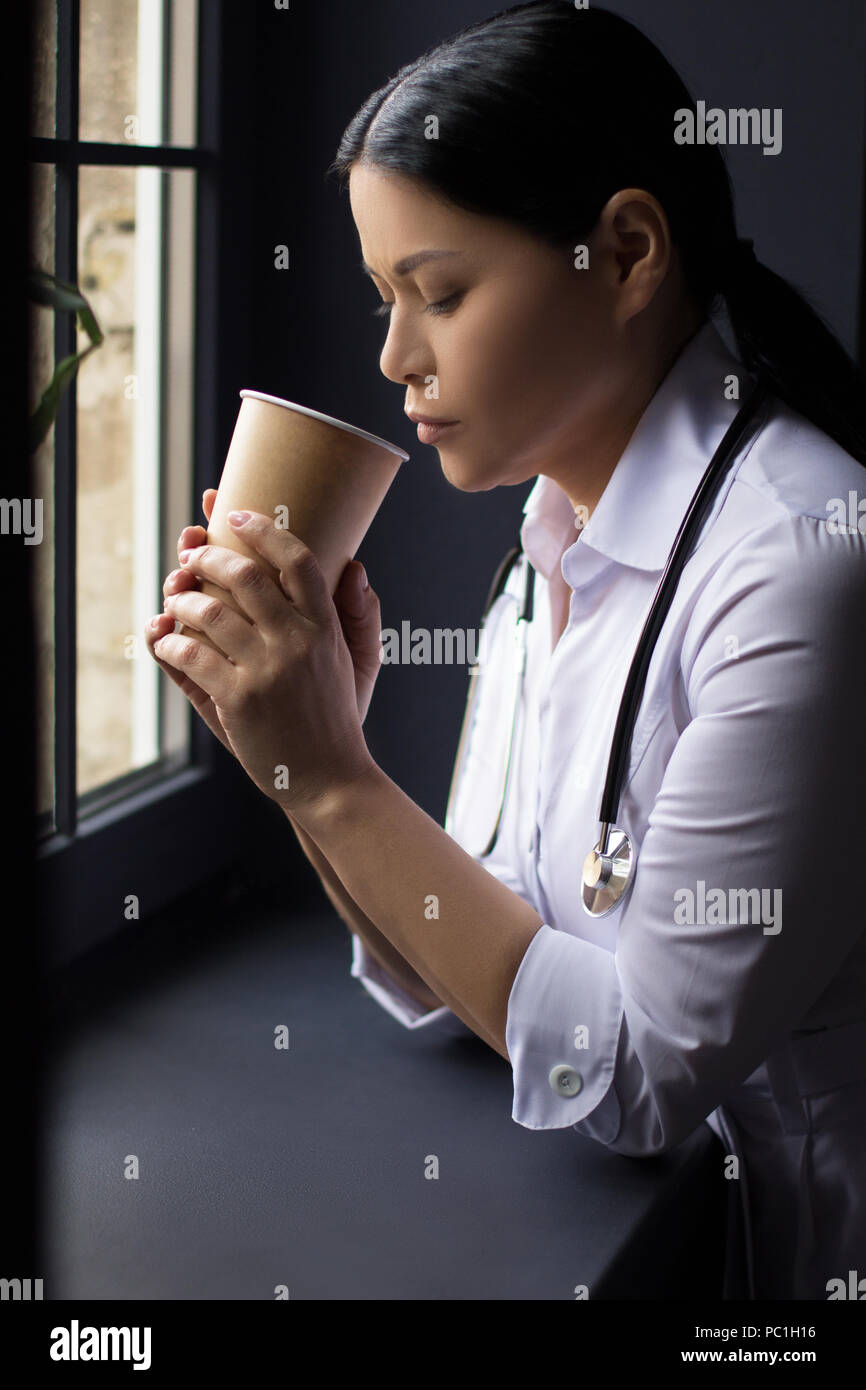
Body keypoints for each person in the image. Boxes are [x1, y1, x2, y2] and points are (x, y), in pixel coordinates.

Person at [146, 2, 866, 1300]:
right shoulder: (546, 552)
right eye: (381, 299)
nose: (392, 357)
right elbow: (497, 938)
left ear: (626, 251)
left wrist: (333, 775)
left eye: (437, 291)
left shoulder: (803, 558)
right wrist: (302, 753)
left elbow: (638, 1068)